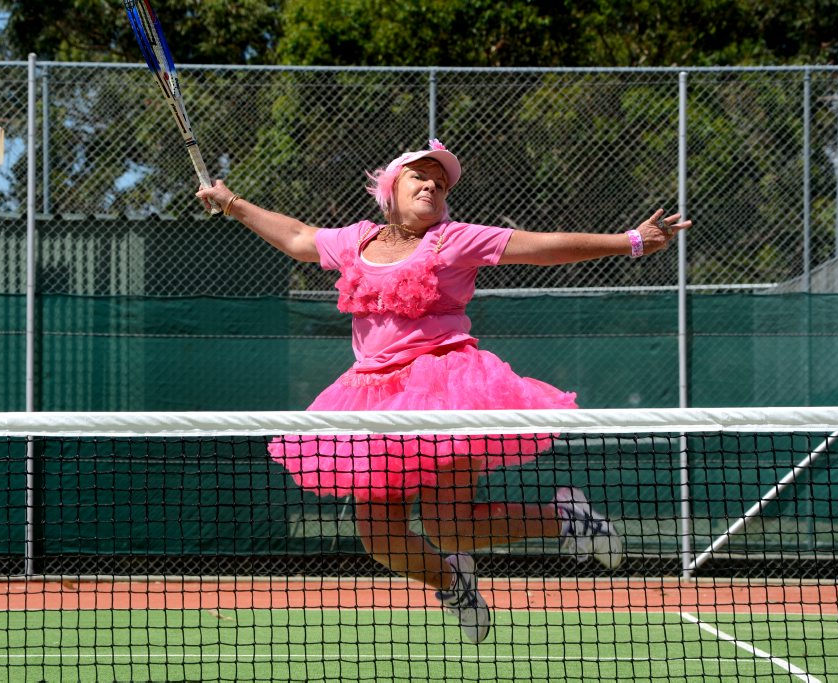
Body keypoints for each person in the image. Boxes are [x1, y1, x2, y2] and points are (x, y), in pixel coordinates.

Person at [197, 139, 690, 645]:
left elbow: (543, 246)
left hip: (443, 390)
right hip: (372, 400)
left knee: (450, 527)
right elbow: (300, 237)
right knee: (381, 540)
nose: (432, 185)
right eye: (420, 177)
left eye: (440, 182)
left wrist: (631, 241)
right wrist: (232, 203)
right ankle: (453, 584)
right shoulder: (355, 241)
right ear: (391, 190)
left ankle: (566, 517)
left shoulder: (455, 240)